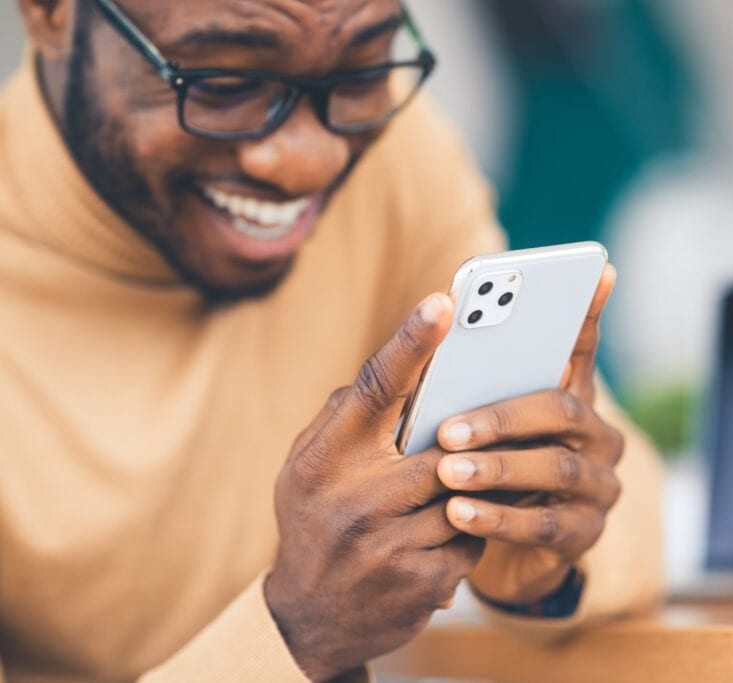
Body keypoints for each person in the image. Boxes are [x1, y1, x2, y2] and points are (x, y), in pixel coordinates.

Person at [0, 0, 664, 681]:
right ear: (50, 14)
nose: (305, 161)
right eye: (223, 84)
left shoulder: (393, 155)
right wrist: (298, 632)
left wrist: (542, 551)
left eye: (363, 71)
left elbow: (629, 492)